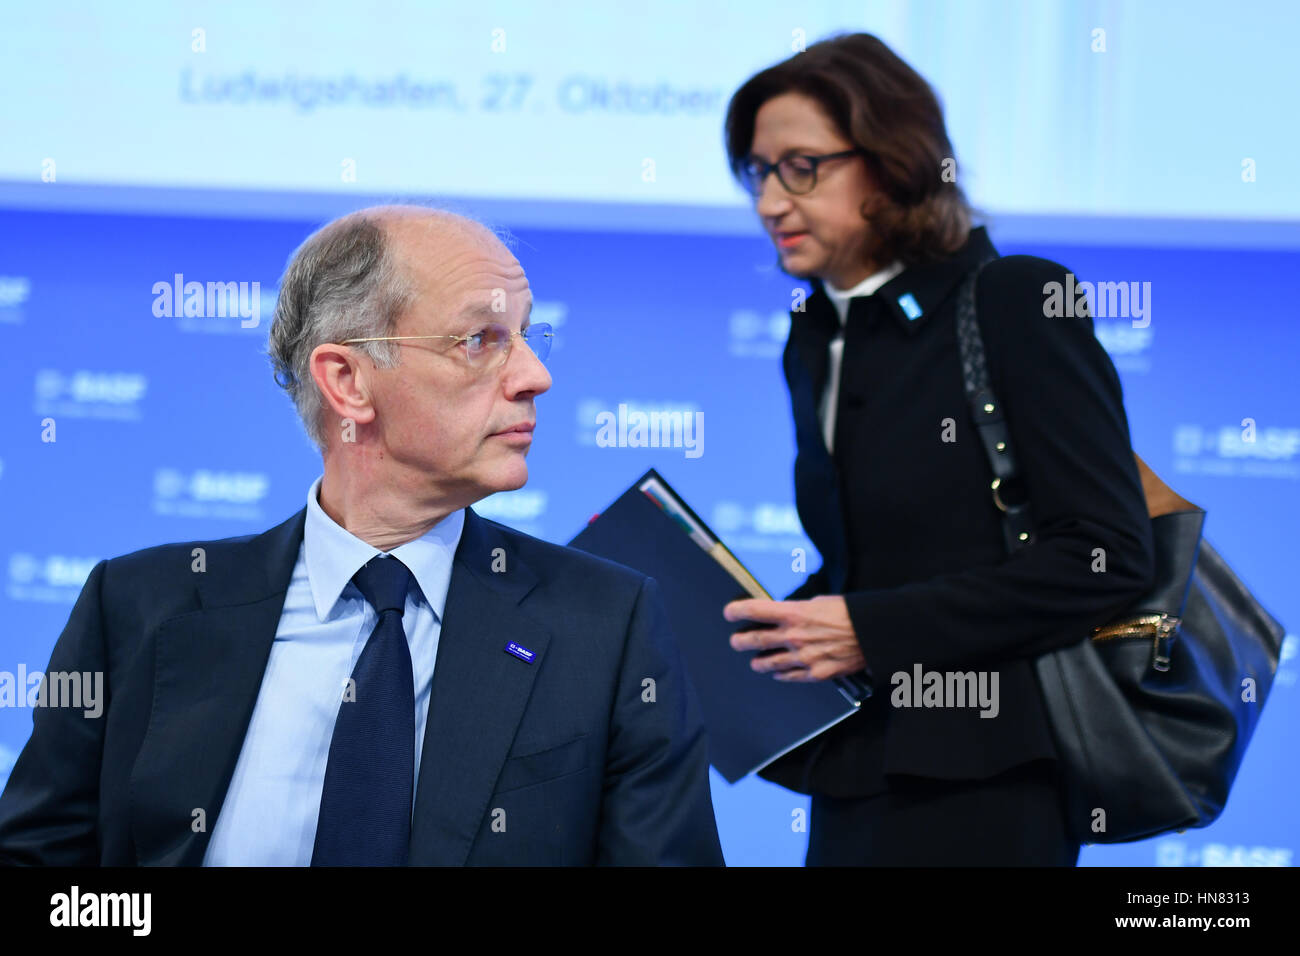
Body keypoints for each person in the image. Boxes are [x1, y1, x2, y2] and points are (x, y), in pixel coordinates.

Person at [0, 206, 724, 866]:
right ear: (347, 381)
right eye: (481, 340)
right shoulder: (137, 606)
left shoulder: (606, 624)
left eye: (528, 336)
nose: (536, 375)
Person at [720, 34, 1155, 866]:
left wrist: (865, 629)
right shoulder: (815, 333)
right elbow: (874, 565)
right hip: (859, 765)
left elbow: (1107, 556)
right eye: (757, 171)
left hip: (991, 774)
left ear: (892, 162)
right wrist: (771, 630)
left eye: (801, 166)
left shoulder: (1018, 297)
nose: (771, 200)